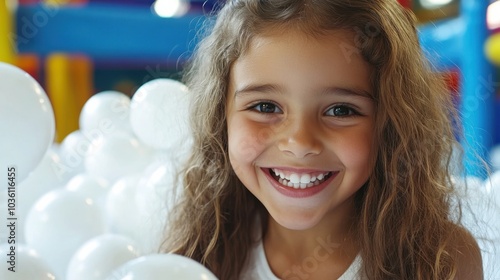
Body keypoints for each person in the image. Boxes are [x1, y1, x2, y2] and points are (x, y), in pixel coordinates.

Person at [161, 0, 484, 279]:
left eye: (340, 110)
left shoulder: (439, 258)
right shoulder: (198, 252)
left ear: (390, 123)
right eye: (265, 107)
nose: (300, 142)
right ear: (222, 119)